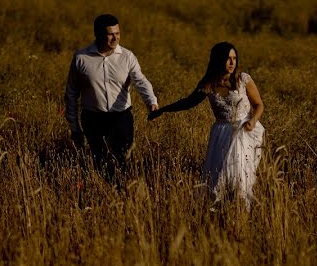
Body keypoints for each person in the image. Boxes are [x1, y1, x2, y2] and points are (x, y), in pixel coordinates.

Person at [149, 42, 265, 209]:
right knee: (218, 178)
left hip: (243, 132)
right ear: (218, 60)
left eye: (234, 58)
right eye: (228, 59)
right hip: (221, 134)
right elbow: (188, 102)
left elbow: (259, 104)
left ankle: (242, 214)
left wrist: (253, 121)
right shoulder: (209, 84)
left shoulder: (243, 79)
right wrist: (164, 110)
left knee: (239, 176)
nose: (232, 63)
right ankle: (221, 213)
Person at [65, 13, 158, 183]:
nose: (115, 38)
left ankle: (120, 194)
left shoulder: (127, 57)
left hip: (121, 117)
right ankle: (100, 194)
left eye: (118, 33)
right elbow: (71, 93)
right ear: (98, 34)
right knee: (98, 161)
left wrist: (151, 101)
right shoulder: (81, 58)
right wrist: (74, 125)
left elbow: (140, 81)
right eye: (110, 34)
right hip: (93, 118)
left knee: (121, 160)